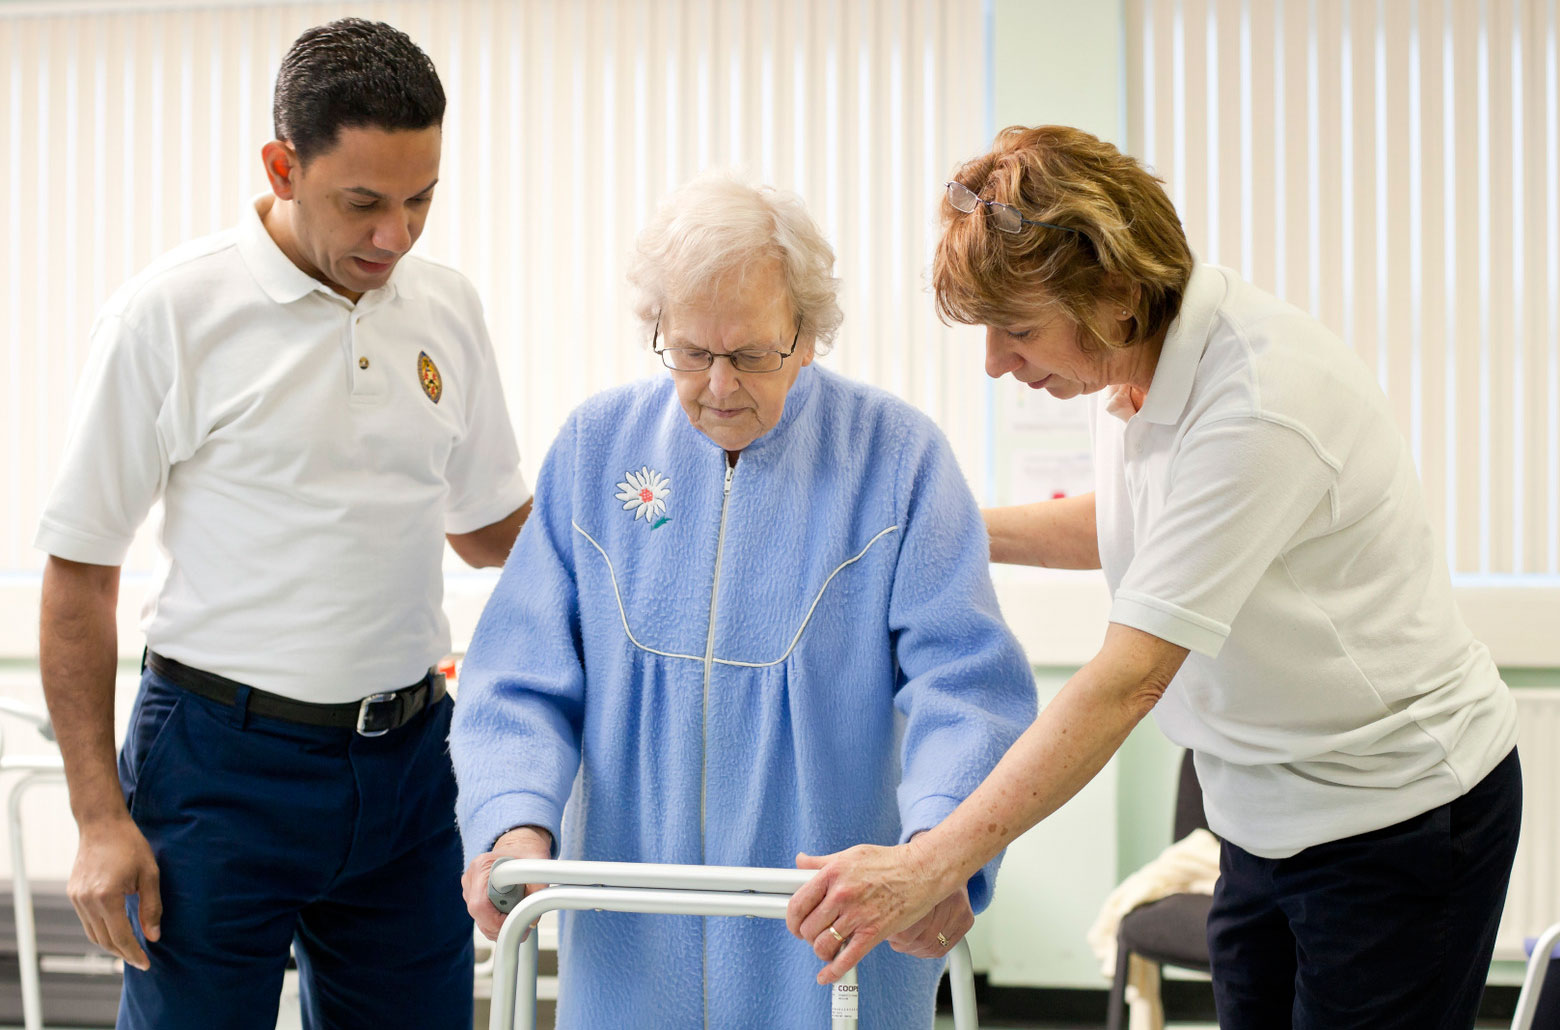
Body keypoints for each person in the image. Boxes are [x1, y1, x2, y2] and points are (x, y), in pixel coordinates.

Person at [785, 125, 1521, 1030]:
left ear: (1114, 292)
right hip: (1260, 814)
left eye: (1016, 331)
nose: (996, 363)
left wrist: (933, 864)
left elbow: (1125, 682)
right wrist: (929, 532)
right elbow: (1136, 521)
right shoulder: (1132, 371)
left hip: (1397, 813)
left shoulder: (1259, 400)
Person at [450, 173, 1037, 1029]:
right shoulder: (594, 449)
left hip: (829, 930)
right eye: (691, 353)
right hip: (630, 935)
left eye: (753, 354)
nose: (720, 385)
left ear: (808, 336)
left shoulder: (897, 459)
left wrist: (941, 849)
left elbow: (968, 686)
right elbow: (518, 675)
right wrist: (511, 822)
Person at [35, 19, 531, 1029]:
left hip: (407, 771)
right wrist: (97, 817)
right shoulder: (170, 315)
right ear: (281, 165)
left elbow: (489, 531)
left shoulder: (446, 308)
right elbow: (80, 575)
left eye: (421, 200)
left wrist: (651, 523)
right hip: (220, 770)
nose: (395, 236)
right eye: (364, 203)